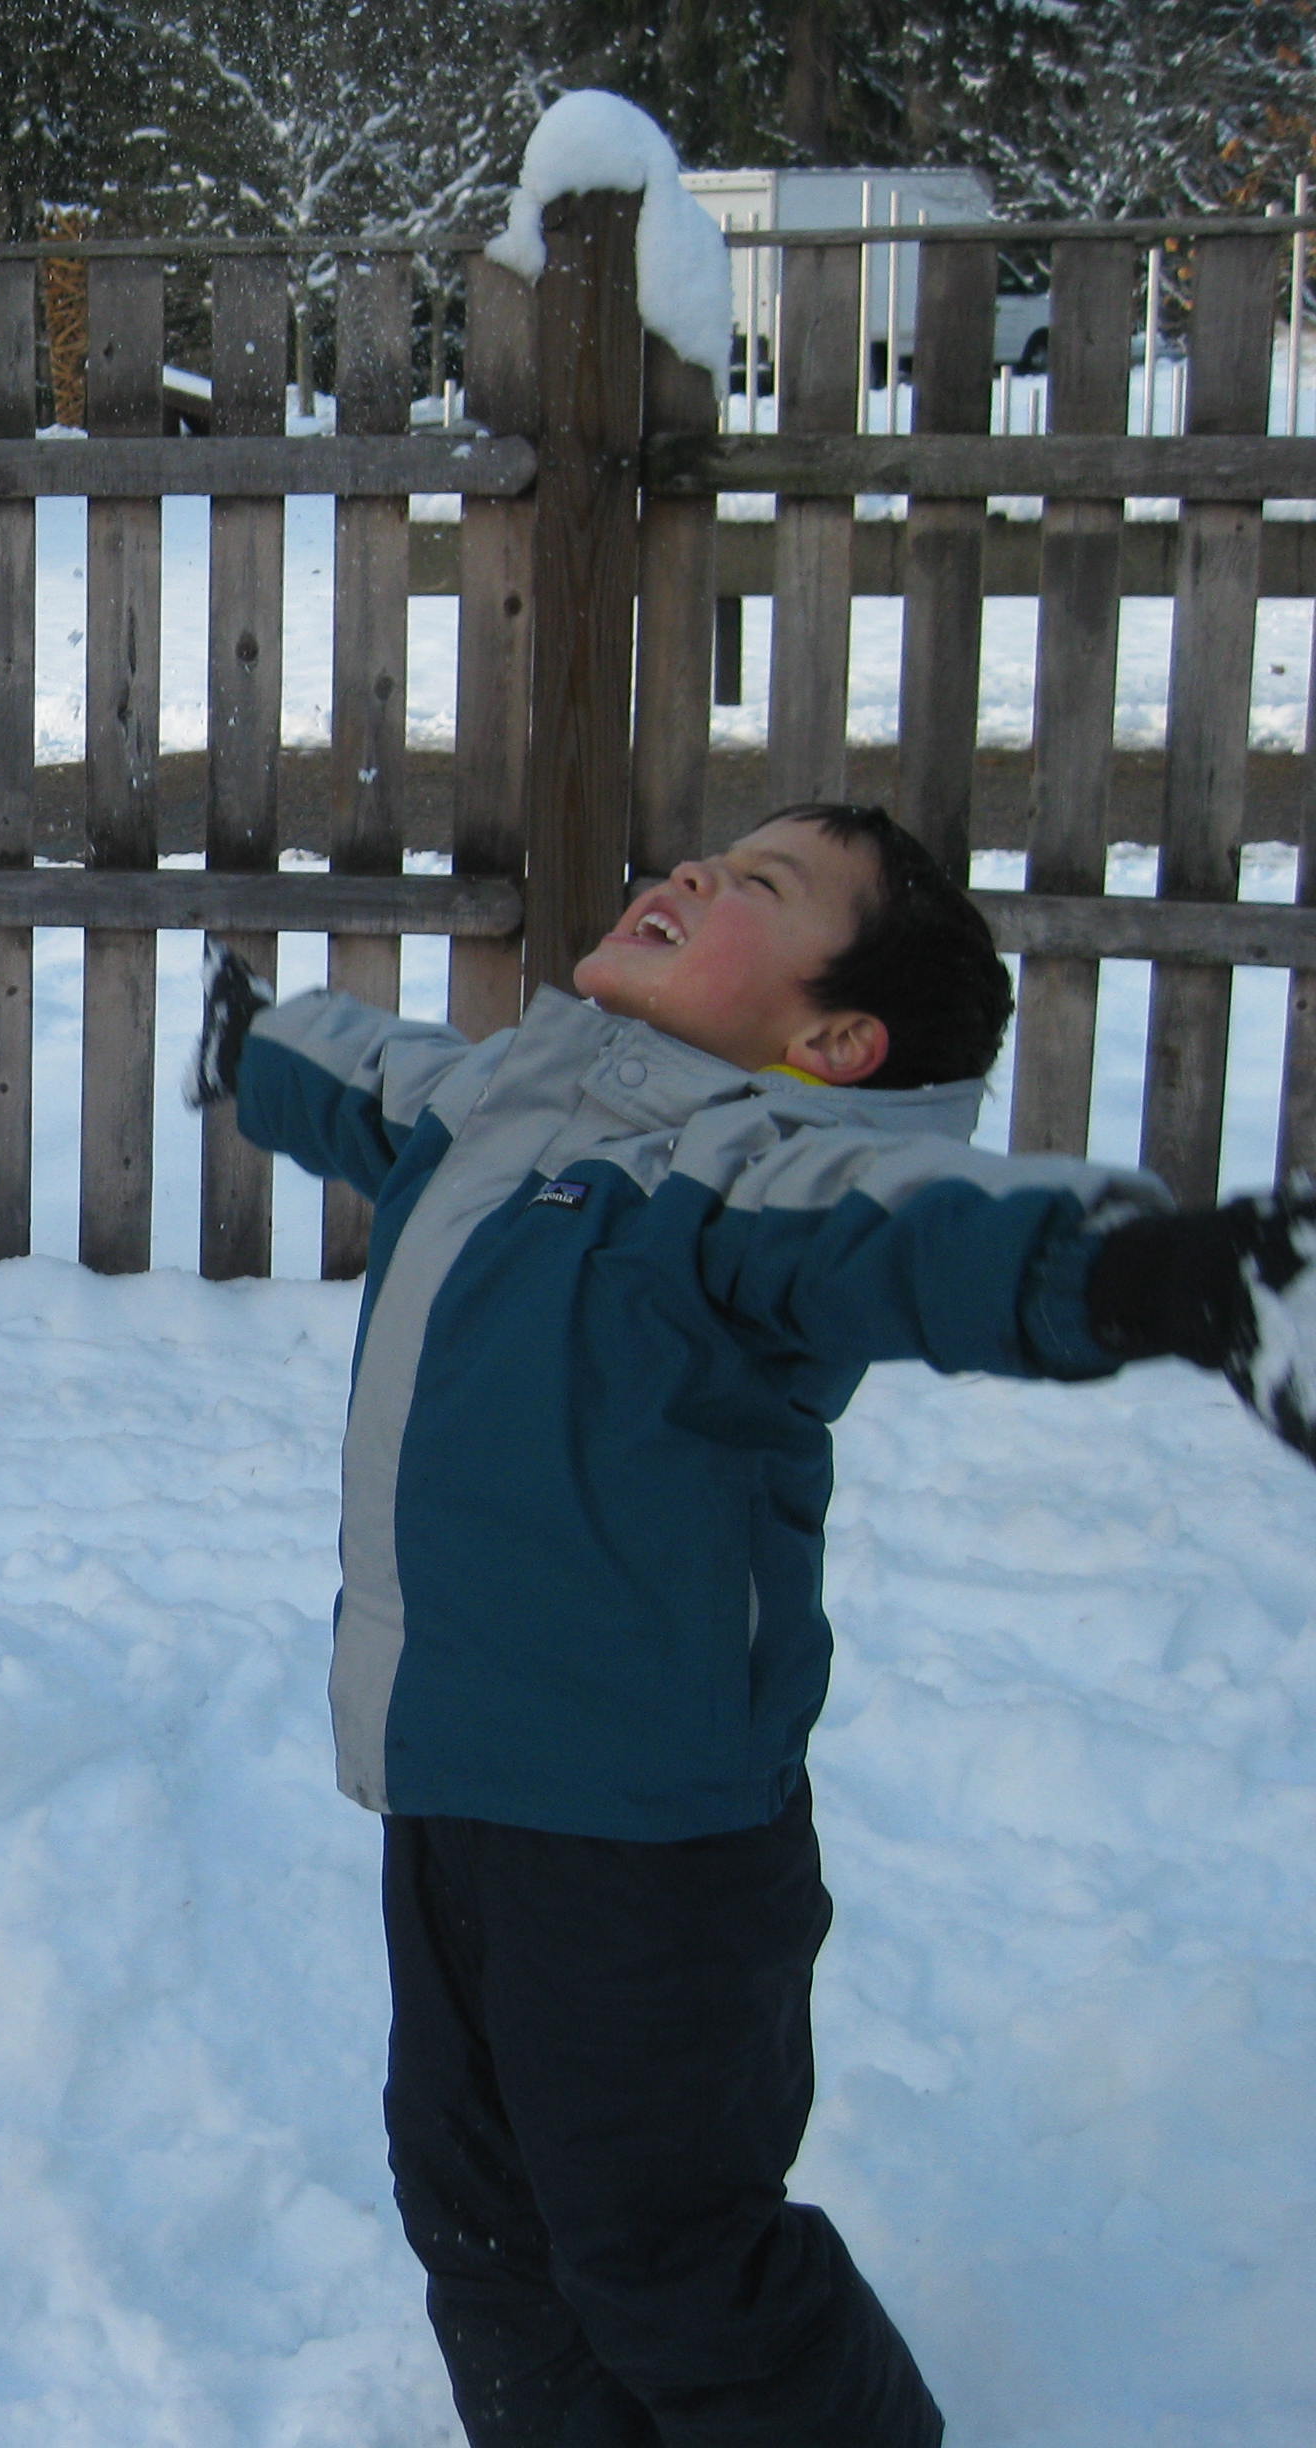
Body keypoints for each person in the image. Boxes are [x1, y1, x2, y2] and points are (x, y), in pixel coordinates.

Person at [189, 802, 1316, 2447]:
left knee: (669, 2260)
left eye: (763, 888)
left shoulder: (748, 1175)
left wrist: (1163, 1274)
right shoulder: (504, 1096)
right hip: (447, 1797)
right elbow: (367, 1074)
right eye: (715, 856)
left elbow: (925, 1232)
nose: (695, 873)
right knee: (481, 2224)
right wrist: (254, 1042)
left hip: (650, 1860)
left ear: (833, 1038)